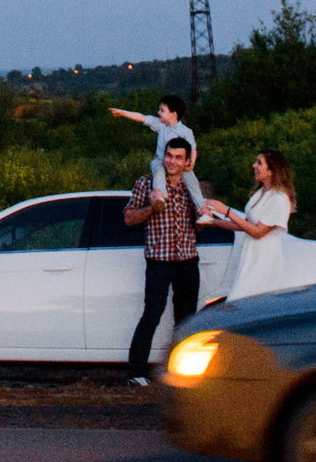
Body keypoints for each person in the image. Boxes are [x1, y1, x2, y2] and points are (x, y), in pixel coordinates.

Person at [125, 136, 201, 385]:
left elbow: (203, 220)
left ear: (187, 161)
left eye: (178, 157)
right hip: (159, 261)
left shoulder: (192, 187)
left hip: (187, 261)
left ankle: (180, 374)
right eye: (169, 155)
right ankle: (136, 374)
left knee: (186, 319)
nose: (172, 161)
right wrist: (151, 209)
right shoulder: (146, 184)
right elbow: (128, 218)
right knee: (152, 315)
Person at [201, 148, 298, 304]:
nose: (254, 166)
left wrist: (226, 211)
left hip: (263, 261)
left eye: (259, 163)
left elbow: (258, 232)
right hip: (250, 258)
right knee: (243, 304)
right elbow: (244, 225)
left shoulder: (278, 199)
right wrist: (213, 222)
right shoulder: (261, 193)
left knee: (244, 303)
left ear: (271, 171)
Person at [108, 93, 206, 220]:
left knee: (192, 182)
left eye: (162, 110)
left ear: (173, 114)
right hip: (161, 160)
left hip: (179, 165)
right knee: (158, 169)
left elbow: (193, 148)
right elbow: (141, 117)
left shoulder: (186, 131)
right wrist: (122, 112)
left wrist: (191, 164)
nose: (159, 113)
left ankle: (202, 210)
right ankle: (161, 197)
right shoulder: (160, 125)